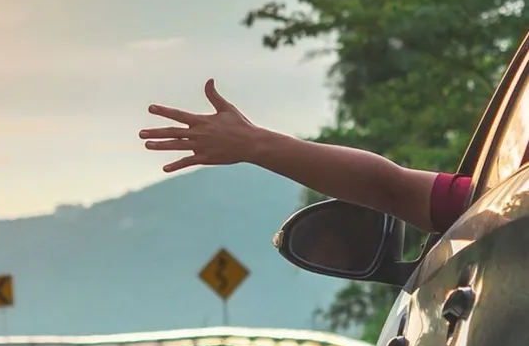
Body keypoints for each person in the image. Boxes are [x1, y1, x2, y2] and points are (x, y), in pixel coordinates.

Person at [140, 80, 471, 235]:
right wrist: (252, 143)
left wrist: (252, 144)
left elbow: (393, 189)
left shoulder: (508, 201)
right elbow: (390, 188)